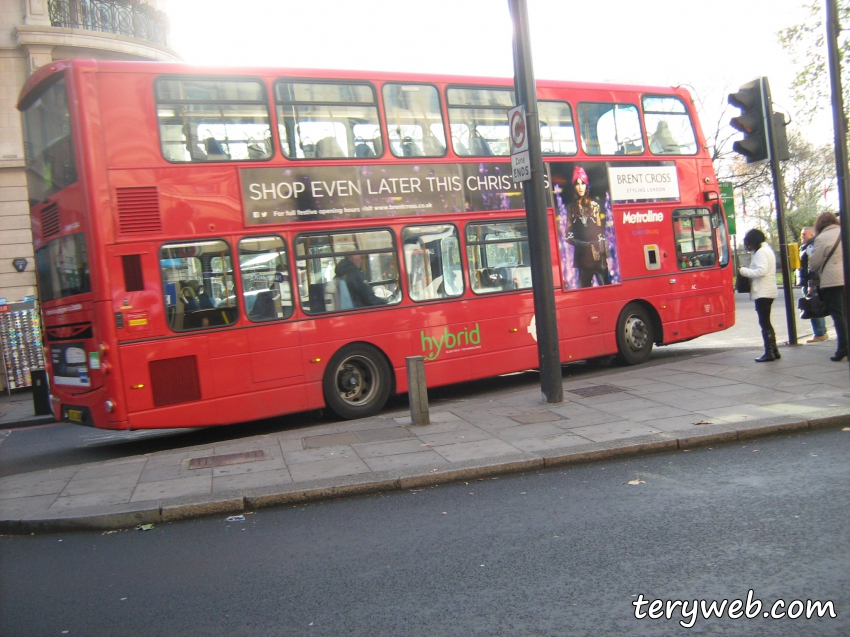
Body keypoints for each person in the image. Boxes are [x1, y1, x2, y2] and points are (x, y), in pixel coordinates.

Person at [808, 212, 846, 361]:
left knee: (838, 314)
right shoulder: (845, 231)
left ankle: (843, 347)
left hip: (833, 281)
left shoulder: (822, 238)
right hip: (846, 277)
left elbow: (814, 264)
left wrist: (811, 254)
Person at [738, 228, 780, 363]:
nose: (748, 247)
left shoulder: (761, 253)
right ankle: (774, 350)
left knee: (764, 322)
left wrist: (743, 271)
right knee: (766, 321)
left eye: (749, 244)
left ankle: (769, 352)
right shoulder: (767, 250)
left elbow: (761, 271)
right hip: (768, 290)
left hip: (763, 291)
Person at [566, 166, 610, 288]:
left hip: (598, 257)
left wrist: (602, 252)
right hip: (583, 260)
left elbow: (601, 232)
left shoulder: (594, 206)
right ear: (574, 187)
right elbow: (567, 237)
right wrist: (585, 244)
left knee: (607, 289)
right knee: (584, 293)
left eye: (583, 183)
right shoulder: (571, 209)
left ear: (586, 185)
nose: (580, 187)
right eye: (577, 184)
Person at [799, 227, 828, 343]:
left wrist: (812, 284)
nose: (802, 236)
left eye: (804, 234)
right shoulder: (807, 247)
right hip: (809, 281)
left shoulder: (811, 247)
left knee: (814, 306)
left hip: (811, 282)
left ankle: (820, 333)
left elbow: (813, 266)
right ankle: (820, 332)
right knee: (813, 305)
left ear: (812, 235)